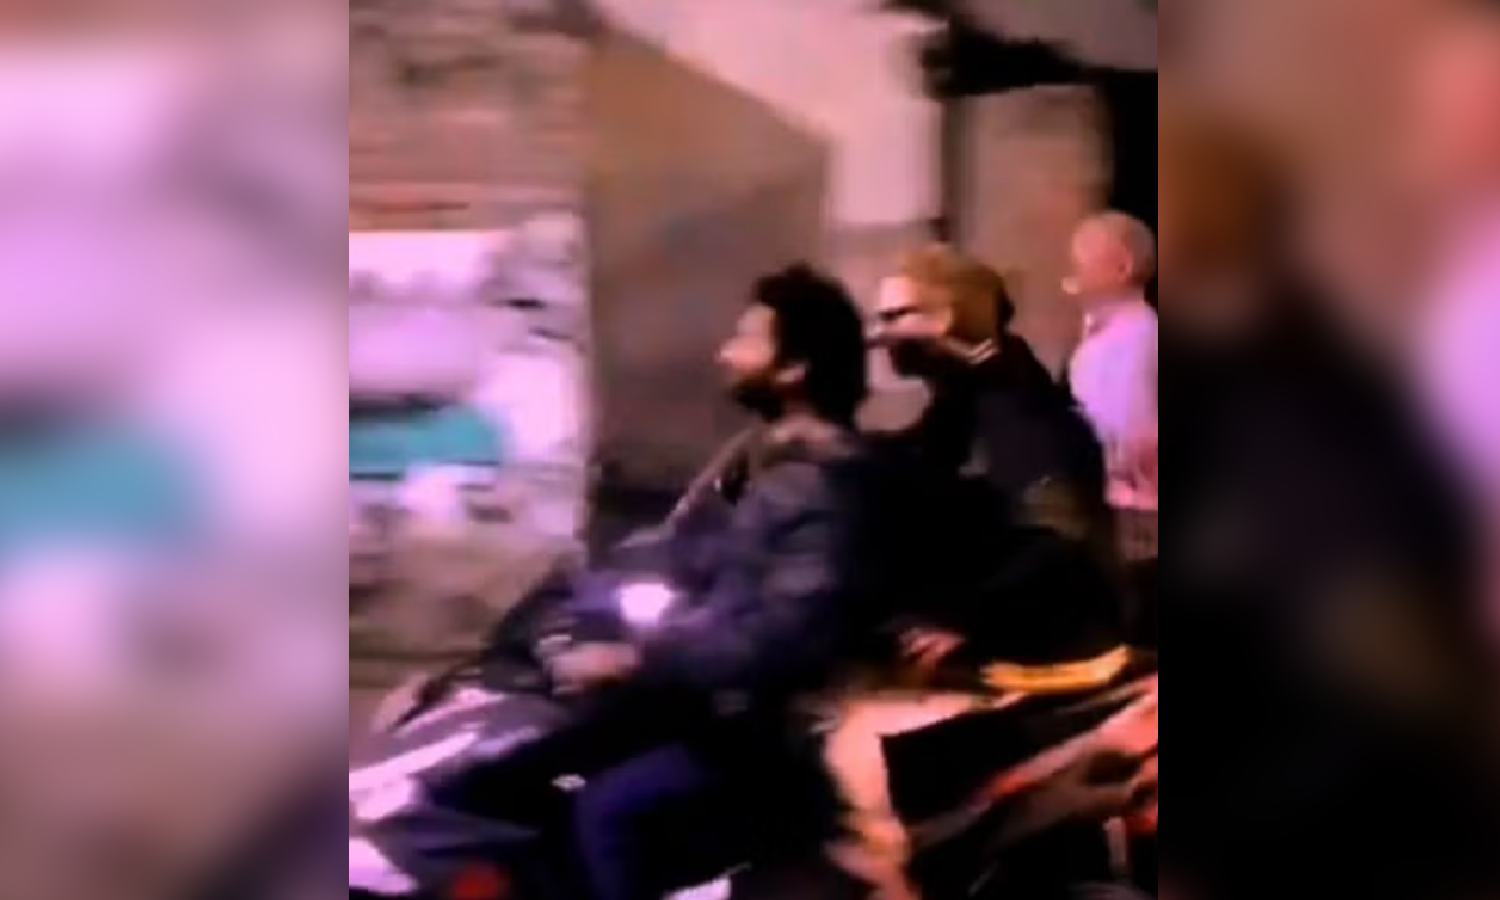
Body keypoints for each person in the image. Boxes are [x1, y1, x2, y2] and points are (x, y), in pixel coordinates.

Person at [546, 263, 876, 900]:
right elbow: (675, 552)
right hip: (716, 706)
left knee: (608, 814)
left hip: (772, 738)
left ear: (794, 368)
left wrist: (638, 657)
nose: (726, 353)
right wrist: (581, 596)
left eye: (747, 339)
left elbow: (778, 633)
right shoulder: (760, 459)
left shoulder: (818, 484)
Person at [1062, 212, 1159, 645]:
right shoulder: (1099, 342)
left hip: (1132, 511)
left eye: (1082, 260)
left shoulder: (1140, 340)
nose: (1072, 273)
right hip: (1109, 503)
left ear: (1121, 266)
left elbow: (1128, 433)